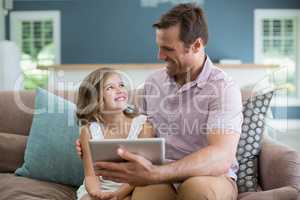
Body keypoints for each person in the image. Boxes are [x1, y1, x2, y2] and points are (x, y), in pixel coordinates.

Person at [77, 3, 243, 200]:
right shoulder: (153, 82)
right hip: (157, 177)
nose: (160, 56)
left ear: (196, 45)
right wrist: (95, 146)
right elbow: (133, 129)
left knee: (198, 191)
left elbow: (221, 155)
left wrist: (157, 173)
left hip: (208, 176)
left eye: (168, 49)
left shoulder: (223, 88)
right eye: (159, 47)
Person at [75, 68, 155, 200]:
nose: (119, 90)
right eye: (110, 87)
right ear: (96, 99)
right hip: (98, 188)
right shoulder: (88, 130)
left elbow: (142, 173)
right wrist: (98, 194)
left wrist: (118, 195)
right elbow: (90, 176)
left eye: (121, 85)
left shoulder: (143, 126)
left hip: (130, 187)